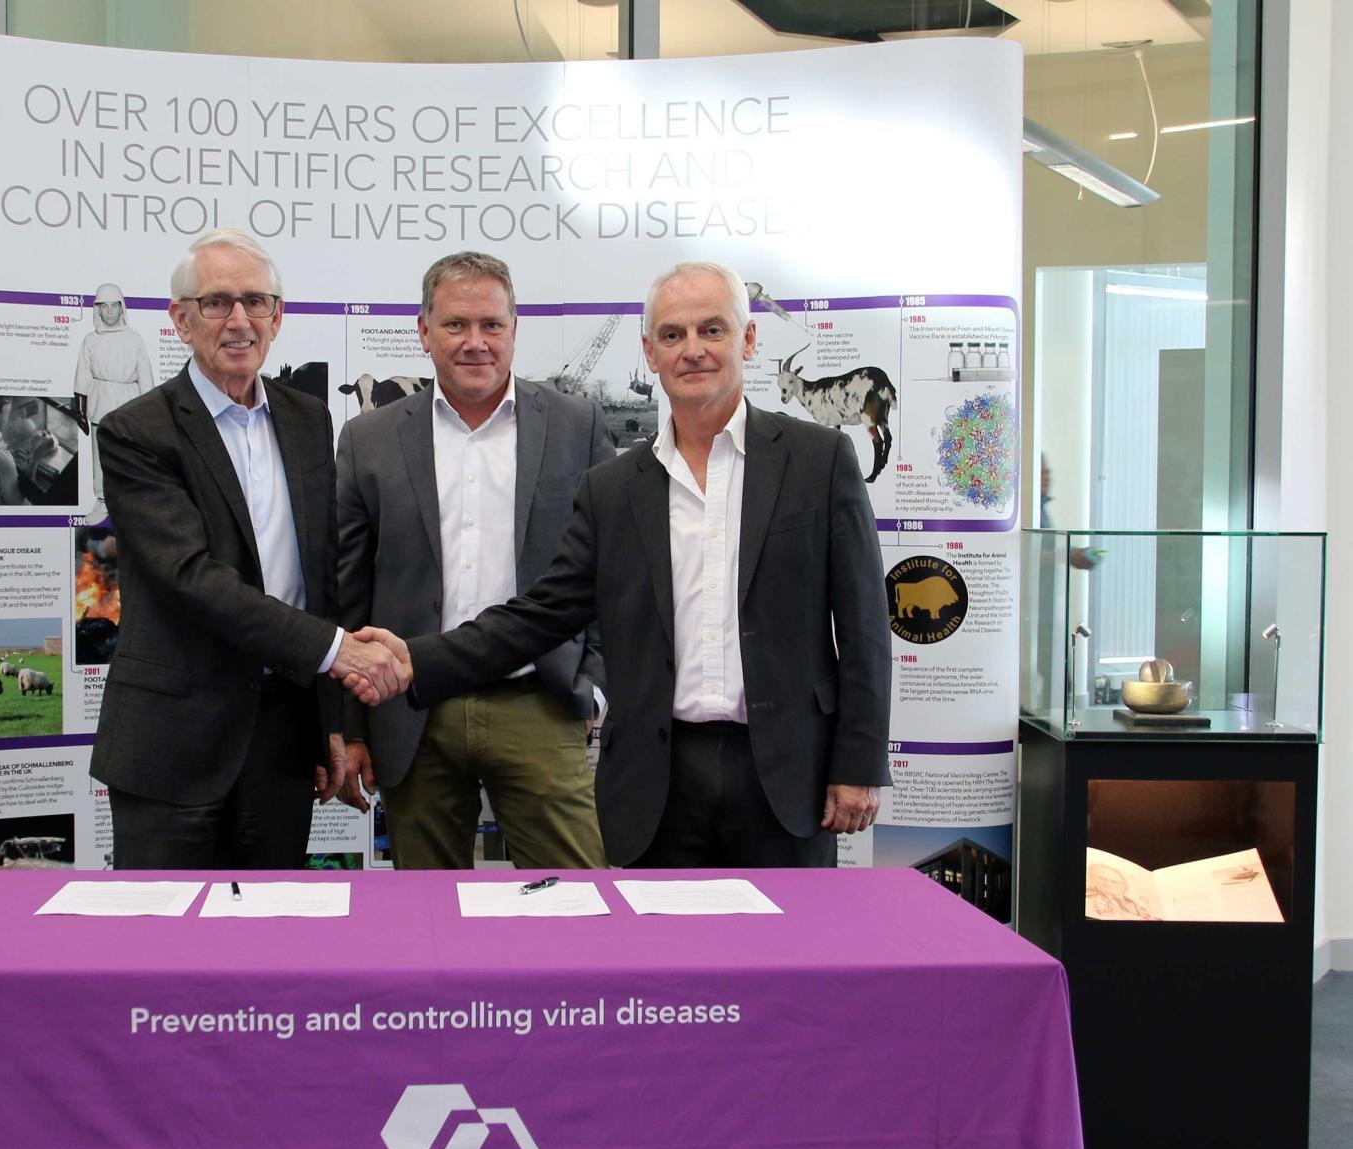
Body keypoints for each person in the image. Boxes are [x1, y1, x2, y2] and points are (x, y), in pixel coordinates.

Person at [344, 260, 891, 869]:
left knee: (786, 958)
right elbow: (542, 614)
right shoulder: (616, 488)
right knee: (656, 959)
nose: (693, 351)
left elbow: (865, 626)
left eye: (713, 330)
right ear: (650, 353)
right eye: (673, 335)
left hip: (787, 776)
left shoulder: (819, 460)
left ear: (749, 340)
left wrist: (859, 762)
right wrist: (413, 659)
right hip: (657, 783)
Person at [89, 228, 403, 869]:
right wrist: (340, 653)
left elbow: (323, 577)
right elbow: (190, 577)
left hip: (281, 743)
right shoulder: (136, 432)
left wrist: (331, 723)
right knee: (163, 948)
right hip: (174, 743)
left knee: (268, 946)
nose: (239, 320)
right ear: (179, 319)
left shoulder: (307, 418)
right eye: (217, 303)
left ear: (277, 317)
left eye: (256, 302)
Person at [336, 251, 614, 869]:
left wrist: (592, 683)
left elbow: (610, 570)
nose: (475, 343)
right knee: (427, 925)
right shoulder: (369, 439)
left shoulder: (576, 425)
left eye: (491, 325)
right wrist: (353, 726)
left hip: (538, 700)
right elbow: (348, 595)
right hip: (411, 712)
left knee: (578, 908)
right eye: (456, 325)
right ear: (423, 331)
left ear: (515, 331)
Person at [74, 282, 156, 523]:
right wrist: (80, 409)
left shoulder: (134, 340)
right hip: (100, 402)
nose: (109, 312)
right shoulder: (90, 341)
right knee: (100, 457)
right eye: (104, 307)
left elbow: (146, 377)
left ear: (122, 309)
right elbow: (82, 376)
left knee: (130, 456)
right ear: (98, 310)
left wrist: (149, 414)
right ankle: (102, 501)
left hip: (128, 403)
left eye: (114, 306)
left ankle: (130, 501)